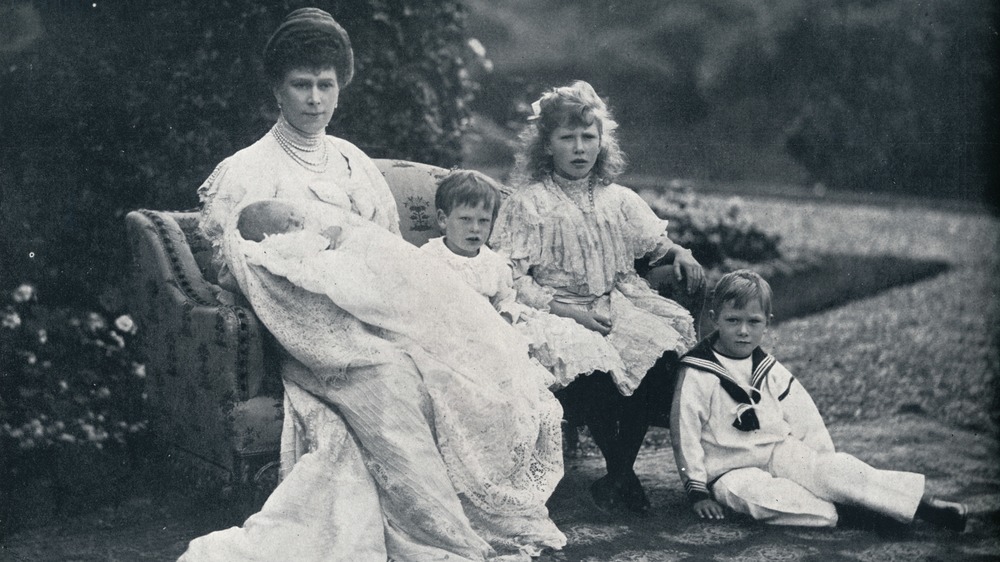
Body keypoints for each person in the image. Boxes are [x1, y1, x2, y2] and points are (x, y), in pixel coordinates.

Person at [181, 9, 566, 561]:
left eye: (325, 85)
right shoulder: (246, 171)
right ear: (277, 88)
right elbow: (241, 272)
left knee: (461, 370)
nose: (314, 99)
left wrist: (379, 302)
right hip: (318, 341)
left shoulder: (353, 163)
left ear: (340, 89)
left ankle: (479, 513)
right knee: (395, 379)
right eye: (301, 84)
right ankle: (444, 539)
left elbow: (387, 254)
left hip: (377, 320)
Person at [490, 80, 705, 515]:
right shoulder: (529, 203)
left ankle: (619, 473)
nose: (579, 147)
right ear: (547, 145)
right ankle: (622, 476)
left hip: (614, 299)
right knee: (593, 368)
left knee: (658, 352)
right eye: (567, 138)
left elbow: (654, 244)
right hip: (554, 307)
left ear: (601, 141)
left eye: (588, 137)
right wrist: (566, 311)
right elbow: (509, 277)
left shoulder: (618, 199)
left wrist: (679, 252)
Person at [669, 269, 969, 532]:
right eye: (733, 320)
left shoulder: (767, 368)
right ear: (714, 319)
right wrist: (697, 490)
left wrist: (821, 463)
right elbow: (685, 431)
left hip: (775, 449)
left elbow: (804, 415)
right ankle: (852, 513)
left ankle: (922, 506)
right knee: (771, 499)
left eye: (753, 321)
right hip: (729, 468)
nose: (743, 331)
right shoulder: (698, 371)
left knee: (835, 472)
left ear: (767, 323)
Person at [421, 169, 628, 390]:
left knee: (540, 345)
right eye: (465, 219)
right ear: (443, 220)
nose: (475, 229)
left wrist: (505, 318)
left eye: (483, 221)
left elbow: (504, 298)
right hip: (449, 330)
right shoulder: (429, 257)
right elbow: (423, 301)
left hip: (490, 329)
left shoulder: (493, 263)